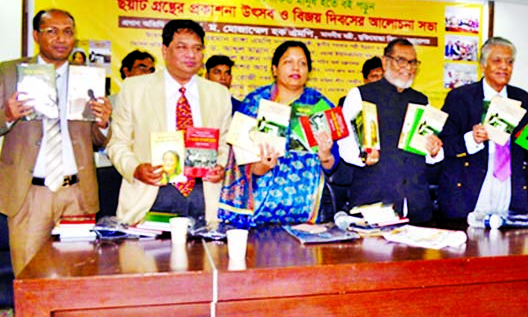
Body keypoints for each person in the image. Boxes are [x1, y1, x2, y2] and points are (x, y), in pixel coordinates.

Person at [0, 9, 112, 275]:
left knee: (77, 273)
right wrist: (8, 115)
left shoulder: (89, 78)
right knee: (29, 276)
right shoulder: (8, 73)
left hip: (76, 193)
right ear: (37, 35)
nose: (61, 38)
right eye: (52, 31)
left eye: (68, 32)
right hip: (30, 193)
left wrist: (104, 123)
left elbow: (96, 140)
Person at [107, 19, 231, 225]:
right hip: (152, 194)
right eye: (182, 47)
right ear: (165, 51)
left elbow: (226, 143)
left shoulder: (218, 93)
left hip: (205, 196)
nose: (191, 55)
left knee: (205, 257)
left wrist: (221, 166)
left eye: (197, 48)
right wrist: (135, 168)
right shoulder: (134, 89)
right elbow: (117, 143)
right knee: (147, 257)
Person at [219, 40, 339, 228]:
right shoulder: (254, 103)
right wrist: (263, 166)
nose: (296, 68)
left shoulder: (320, 105)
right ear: (274, 69)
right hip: (260, 209)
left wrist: (325, 156)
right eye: (288, 62)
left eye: (302, 63)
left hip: (309, 212)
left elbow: (332, 165)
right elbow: (241, 167)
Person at [438, 37, 528, 220]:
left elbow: (526, 149)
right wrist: (473, 138)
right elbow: (444, 144)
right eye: (497, 61)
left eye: (509, 62)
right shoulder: (460, 98)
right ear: (483, 65)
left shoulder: (523, 98)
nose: (504, 67)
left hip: (510, 188)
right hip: (471, 188)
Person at [339, 38, 443, 223]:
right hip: (373, 205)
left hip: (416, 207)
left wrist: (435, 150)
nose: (408, 67)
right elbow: (346, 148)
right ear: (385, 61)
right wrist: (363, 157)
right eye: (401, 60)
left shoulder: (422, 101)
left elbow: (428, 154)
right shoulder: (360, 95)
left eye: (413, 62)